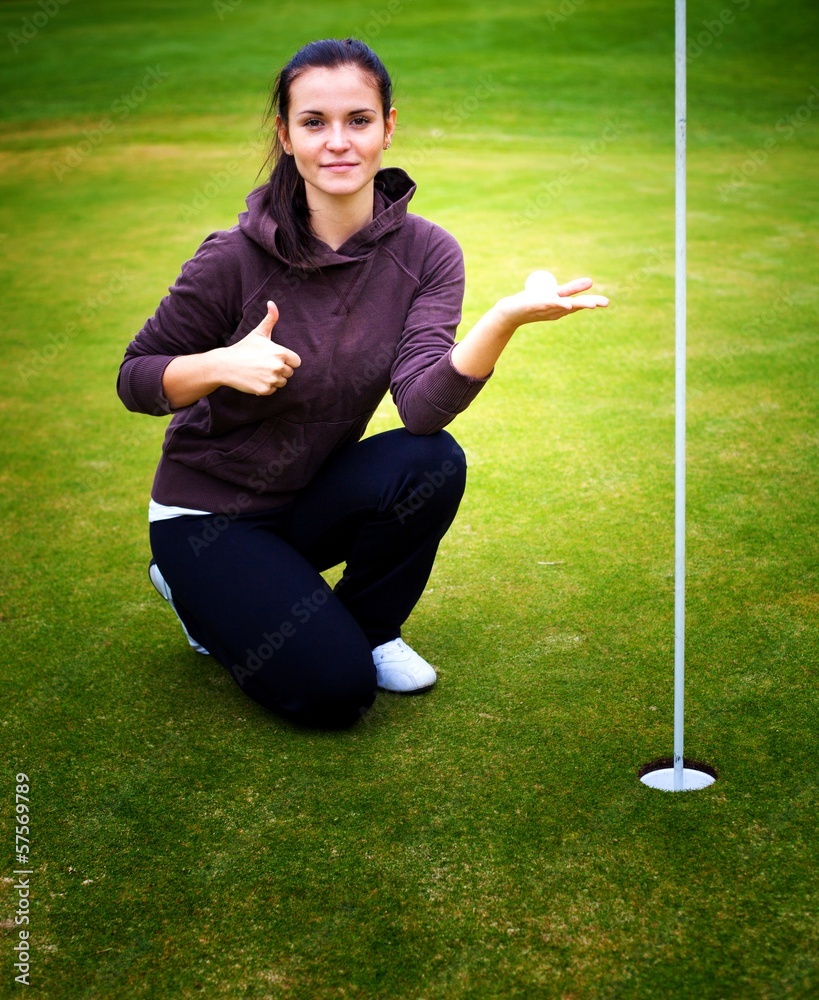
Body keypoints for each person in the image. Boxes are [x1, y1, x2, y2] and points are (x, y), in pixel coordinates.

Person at [117, 37, 607, 729]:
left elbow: (423, 409)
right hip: (209, 517)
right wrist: (219, 365)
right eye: (314, 123)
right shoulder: (230, 257)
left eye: (358, 120)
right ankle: (192, 589)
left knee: (430, 460)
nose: (338, 142)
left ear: (388, 127)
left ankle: (370, 626)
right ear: (285, 136)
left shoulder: (428, 253)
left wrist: (503, 320)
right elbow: (133, 377)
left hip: (308, 501)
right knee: (332, 695)